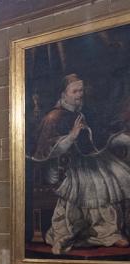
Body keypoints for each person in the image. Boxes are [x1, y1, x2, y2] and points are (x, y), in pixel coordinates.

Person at [32, 73, 130, 254]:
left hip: (84, 161)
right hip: (63, 167)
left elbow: (94, 141)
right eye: (75, 91)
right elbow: (48, 150)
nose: (79, 95)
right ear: (64, 94)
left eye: (81, 90)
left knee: (112, 174)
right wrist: (71, 136)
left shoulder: (79, 113)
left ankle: (108, 232)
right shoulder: (53, 117)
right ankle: (102, 233)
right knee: (95, 179)